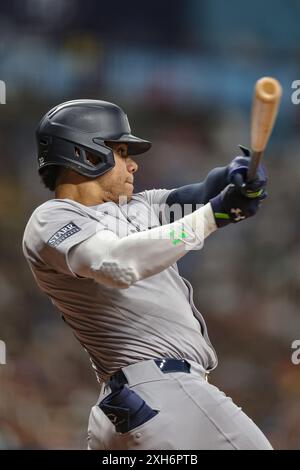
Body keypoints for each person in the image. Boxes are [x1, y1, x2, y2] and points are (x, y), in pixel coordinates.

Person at [22, 99, 272, 450]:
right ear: (88, 155)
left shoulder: (138, 207)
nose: (133, 165)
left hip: (137, 406)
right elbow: (117, 264)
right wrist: (216, 215)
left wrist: (234, 177)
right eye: (122, 152)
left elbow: (199, 196)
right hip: (161, 393)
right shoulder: (53, 218)